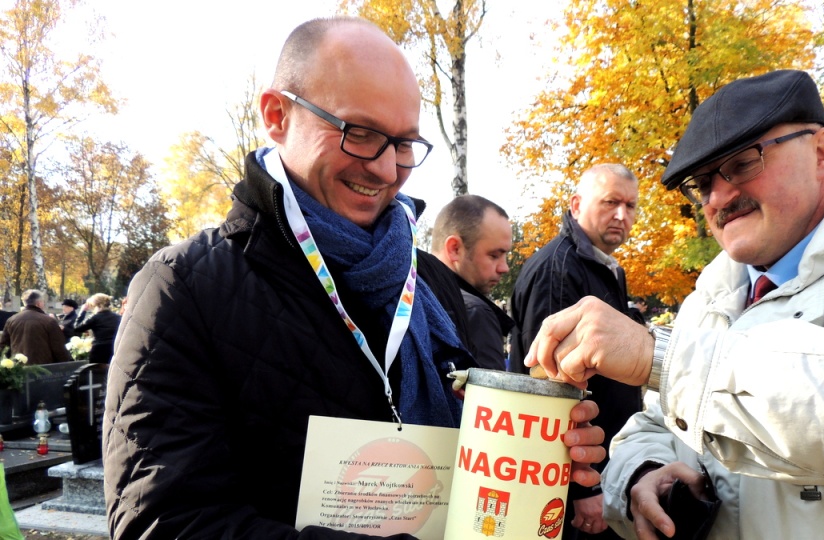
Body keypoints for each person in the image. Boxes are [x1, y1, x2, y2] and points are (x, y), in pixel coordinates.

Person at [103, 17, 605, 540]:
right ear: (277, 115)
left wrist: (534, 459)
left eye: (404, 143)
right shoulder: (184, 287)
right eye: (359, 133)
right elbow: (159, 524)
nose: (387, 170)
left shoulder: (429, 284)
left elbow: (473, 477)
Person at [524, 70, 824, 539]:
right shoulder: (709, 298)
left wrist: (661, 357)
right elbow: (651, 425)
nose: (719, 197)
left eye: (744, 164)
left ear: (822, 152)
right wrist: (640, 476)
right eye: (703, 181)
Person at [510, 163, 643, 539]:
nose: (622, 215)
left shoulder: (601, 267)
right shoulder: (561, 269)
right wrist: (584, 488)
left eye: (631, 205)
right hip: (574, 482)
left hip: (601, 463)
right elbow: (552, 384)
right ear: (576, 204)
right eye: (610, 202)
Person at [431, 194, 515, 370]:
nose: (504, 267)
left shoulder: (406, 297)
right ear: (455, 249)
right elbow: (492, 396)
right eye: (494, 255)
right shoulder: (475, 312)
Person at [0, 289, 71, 365]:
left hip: (19, 368)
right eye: (43, 302)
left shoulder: (11, 320)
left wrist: (11, 360)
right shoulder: (48, 321)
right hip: (45, 368)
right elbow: (59, 348)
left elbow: (3, 346)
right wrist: (66, 364)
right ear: (39, 303)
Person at [73, 293, 121, 364]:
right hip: (115, 348)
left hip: (99, 350)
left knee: (97, 373)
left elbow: (77, 328)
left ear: (96, 306)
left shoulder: (95, 317)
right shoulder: (118, 317)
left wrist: (83, 311)